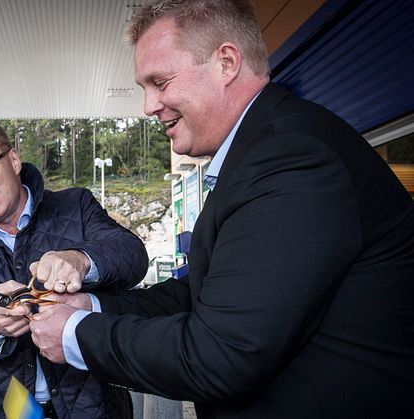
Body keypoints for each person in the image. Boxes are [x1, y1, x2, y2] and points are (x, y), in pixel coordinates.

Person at [29, 1, 414, 418]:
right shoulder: (258, 152)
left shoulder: (290, 159)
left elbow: (224, 354)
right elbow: (203, 293)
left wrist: (76, 335)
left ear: (226, 62)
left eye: (160, 81)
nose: (149, 105)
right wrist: (90, 308)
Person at [0, 116, 148, 418]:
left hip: (95, 406)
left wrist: (80, 259)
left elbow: (132, 255)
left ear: (13, 160)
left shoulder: (75, 206)